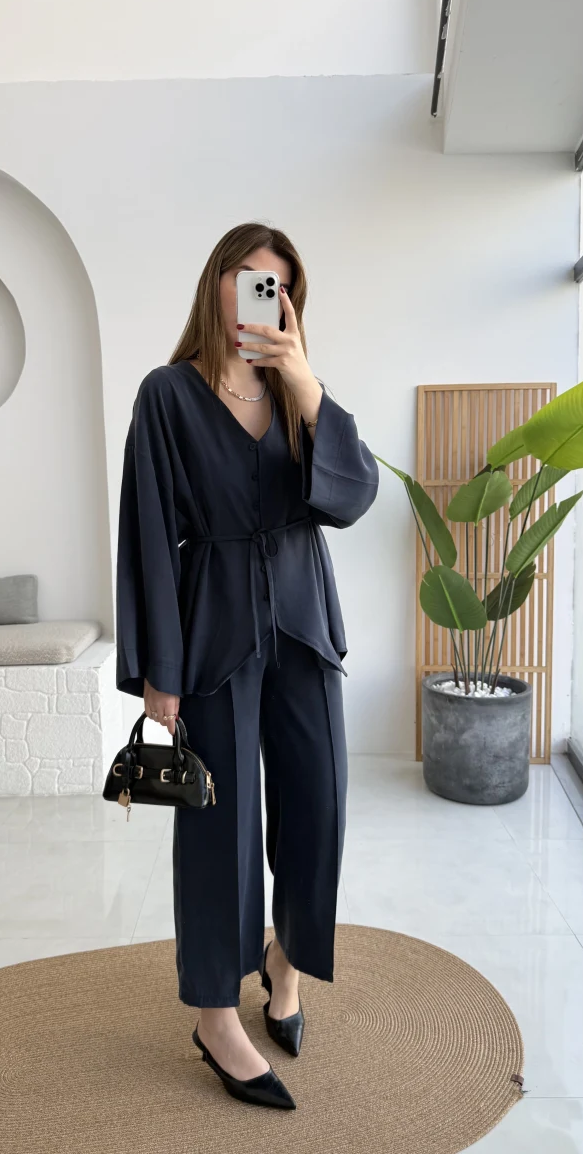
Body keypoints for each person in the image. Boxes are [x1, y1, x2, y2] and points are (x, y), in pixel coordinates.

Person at [115, 221, 379, 1109]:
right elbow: (149, 533)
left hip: (304, 623)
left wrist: (304, 382)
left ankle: (286, 962)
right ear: (217, 284)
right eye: (250, 278)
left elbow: (354, 496)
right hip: (215, 627)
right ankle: (215, 1014)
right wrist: (159, 669)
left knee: (319, 806)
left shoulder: (300, 393)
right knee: (217, 828)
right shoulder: (167, 395)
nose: (265, 296)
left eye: (281, 286)